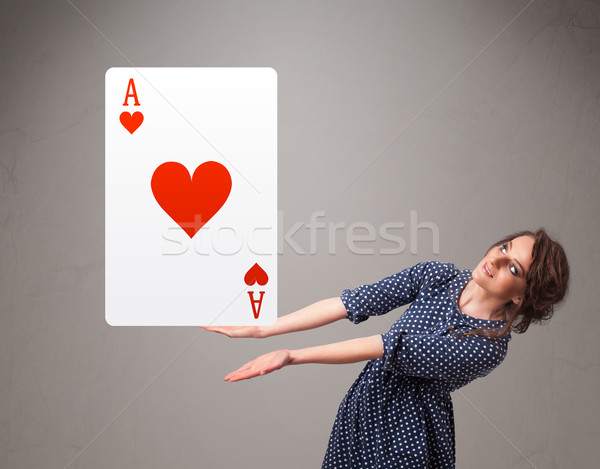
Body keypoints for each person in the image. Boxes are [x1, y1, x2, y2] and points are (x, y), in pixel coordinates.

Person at [201, 228, 569, 468]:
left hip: (409, 431)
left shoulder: (489, 345)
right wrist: (263, 329)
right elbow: (354, 302)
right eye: (504, 247)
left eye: (513, 268)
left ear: (522, 296)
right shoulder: (439, 276)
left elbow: (384, 346)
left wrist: (292, 356)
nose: (496, 259)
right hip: (364, 408)